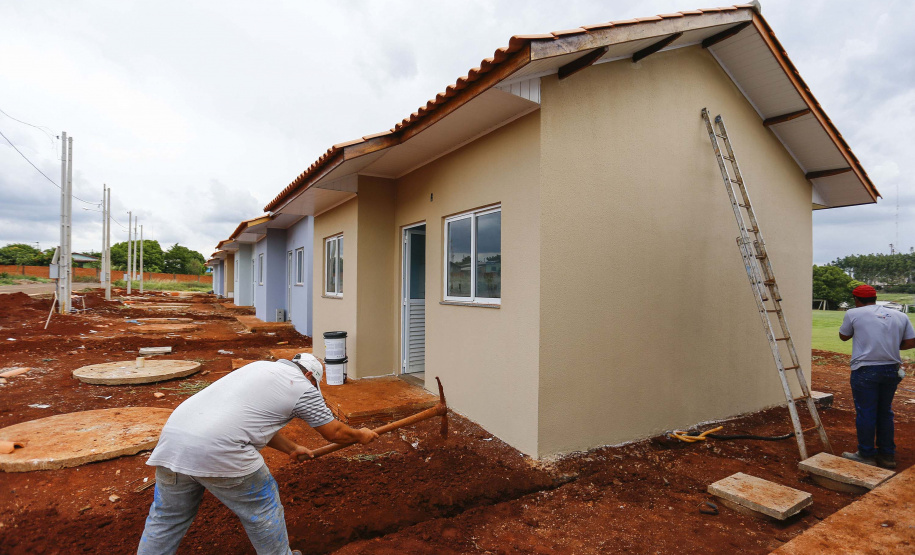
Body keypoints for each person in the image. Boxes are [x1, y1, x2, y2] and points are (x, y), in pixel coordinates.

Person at [137, 353, 378, 555]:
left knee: (166, 518)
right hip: (222, 451)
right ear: (309, 376)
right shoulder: (302, 386)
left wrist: (292, 448)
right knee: (262, 511)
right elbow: (334, 433)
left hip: (173, 443)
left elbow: (247, 419)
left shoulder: (258, 368)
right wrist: (361, 435)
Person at [839, 284, 915, 469]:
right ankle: (887, 455)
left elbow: (843, 336)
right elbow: (911, 342)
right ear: (875, 297)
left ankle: (865, 454)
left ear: (856, 299)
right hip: (891, 369)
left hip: (865, 370)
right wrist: (887, 346)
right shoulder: (900, 315)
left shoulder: (853, 313)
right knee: (885, 412)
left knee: (866, 411)